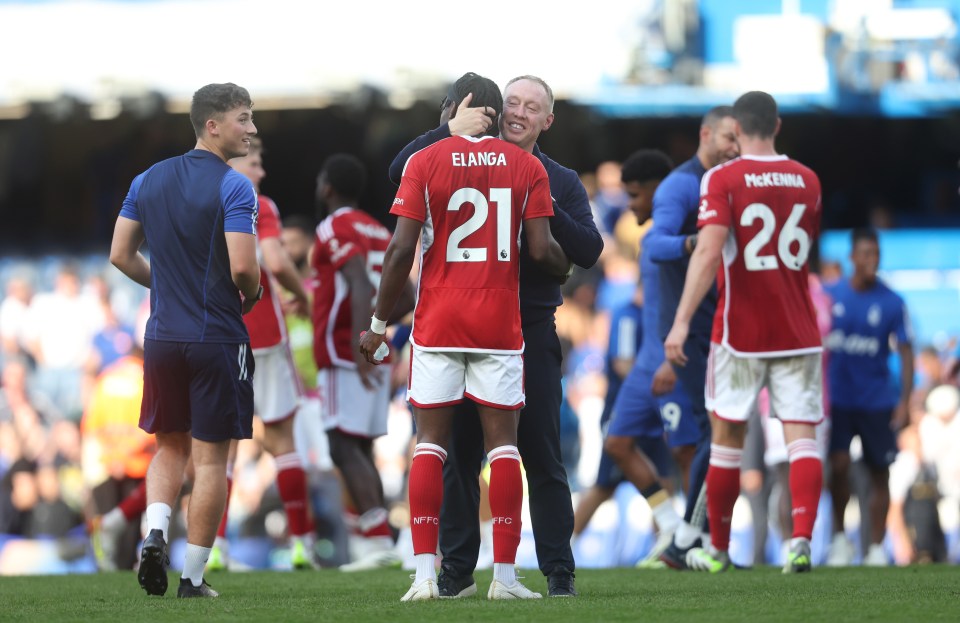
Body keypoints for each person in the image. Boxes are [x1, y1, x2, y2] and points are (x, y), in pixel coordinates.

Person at [388, 74, 603, 597]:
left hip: (527, 326)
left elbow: (590, 248)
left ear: (547, 120)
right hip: (470, 326)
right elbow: (397, 173)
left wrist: (539, 201)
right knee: (459, 456)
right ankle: (460, 570)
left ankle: (558, 570)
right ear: (495, 109)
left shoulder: (553, 176)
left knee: (541, 453)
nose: (519, 112)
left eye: (533, 107)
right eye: (512, 102)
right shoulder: (455, 155)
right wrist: (445, 131)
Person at [109, 82, 261, 598]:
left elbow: (119, 255)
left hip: (161, 339)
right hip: (217, 337)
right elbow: (243, 268)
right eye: (244, 118)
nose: (253, 128)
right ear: (212, 125)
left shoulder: (146, 179)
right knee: (212, 460)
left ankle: (154, 532)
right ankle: (192, 578)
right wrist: (255, 290)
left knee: (169, 447)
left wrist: (165, 283)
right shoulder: (235, 186)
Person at [665, 90, 825, 574]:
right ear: (777, 125)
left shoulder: (722, 178)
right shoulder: (808, 179)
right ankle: (799, 541)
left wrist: (681, 320)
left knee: (728, 439)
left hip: (739, 330)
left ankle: (717, 549)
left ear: (736, 129)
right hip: (798, 327)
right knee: (801, 438)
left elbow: (709, 252)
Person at [204, 137, 316, 571]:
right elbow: (275, 259)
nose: (261, 171)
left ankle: (213, 547)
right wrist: (303, 297)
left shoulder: (200, 200)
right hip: (264, 332)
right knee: (283, 439)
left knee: (220, 449)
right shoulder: (255, 201)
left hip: (215, 333)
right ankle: (303, 542)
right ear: (235, 163)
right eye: (255, 161)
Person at [645, 106, 739, 568]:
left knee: (717, 430)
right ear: (706, 134)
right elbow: (654, 243)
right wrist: (698, 242)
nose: (734, 147)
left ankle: (699, 538)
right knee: (712, 430)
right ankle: (689, 538)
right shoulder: (682, 185)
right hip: (692, 331)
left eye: (738, 139)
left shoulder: (731, 180)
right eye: (726, 137)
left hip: (719, 322)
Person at [311, 153, 414, 571]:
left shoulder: (334, 225)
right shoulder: (376, 228)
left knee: (340, 441)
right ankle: (381, 538)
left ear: (327, 187)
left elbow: (354, 280)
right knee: (359, 445)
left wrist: (362, 344)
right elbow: (406, 296)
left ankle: (375, 538)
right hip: (376, 349)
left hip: (345, 349)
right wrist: (380, 334)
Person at [601, 149, 704, 566]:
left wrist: (671, 356)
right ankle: (673, 525)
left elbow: (689, 303)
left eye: (635, 195)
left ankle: (698, 538)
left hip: (673, 359)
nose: (630, 205)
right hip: (646, 361)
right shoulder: (651, 243)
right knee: (617, 444)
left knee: (686, 451)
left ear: (659, 192)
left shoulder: (681, 240)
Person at [824, 227, 914, 567]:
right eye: (865, 255)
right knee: (838, 466)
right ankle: (839, 541)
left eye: (876, 255)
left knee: (880, 473)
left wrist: (904, 401)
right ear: (851, 258)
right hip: (839, 400)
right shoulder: (830, 296)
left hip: (877, 401)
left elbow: (906, 351)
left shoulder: (893, 301)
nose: (871, 261)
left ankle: (876, 547)